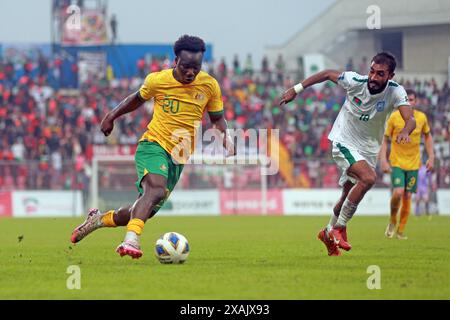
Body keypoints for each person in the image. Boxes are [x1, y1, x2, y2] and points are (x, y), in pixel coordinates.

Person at [70, 35, 235, 259]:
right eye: (186, 67)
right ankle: (131, 240)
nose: (190, 72)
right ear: (176, 60)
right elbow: (137, 99)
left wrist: (226, 136)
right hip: (153, 144)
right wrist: (111, 116)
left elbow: (217, 118)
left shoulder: (209, 85)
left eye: (196, 68)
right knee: (155, 190)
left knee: (145, 207)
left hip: (179, 156)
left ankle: (98, 220)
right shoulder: (158, 80)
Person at [279, 52, 415, 256]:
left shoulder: (396, 92)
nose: (373, 77)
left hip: (368, 149)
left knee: (346, 197)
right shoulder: (354, 81)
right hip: (344, 141)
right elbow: (325, 74)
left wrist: (405, 131)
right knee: (369, 178)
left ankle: (327, 233)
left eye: (380, 74)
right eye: (372, 71)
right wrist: (296, 89)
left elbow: (410, 119)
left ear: (390, 76)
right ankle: (339, 228)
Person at [380, 89, 434, 239]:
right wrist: (383, 160)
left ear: (415, 101)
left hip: (414, 164)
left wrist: (431, 157)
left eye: (412, 100)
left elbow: (428, 137)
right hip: (397, 162)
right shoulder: (394, 117)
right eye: (407, 100)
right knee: (398, 192)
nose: (409, 102)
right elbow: (384, 139)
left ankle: (400, 230)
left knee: (408, 196)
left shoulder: (421, 118)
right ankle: (392, 220)